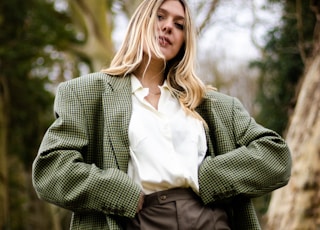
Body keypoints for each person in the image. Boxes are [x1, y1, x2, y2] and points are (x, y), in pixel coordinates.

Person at [32, 0, 292, 229]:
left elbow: (276, 156)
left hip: (209, 219)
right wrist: (120, 193)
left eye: (180, 25)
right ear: (140, 22)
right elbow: (52, 169)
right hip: (138, 220)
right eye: (160, 16)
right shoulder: (86, 94)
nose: (168, 27)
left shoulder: (213, 105)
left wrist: (211, 177)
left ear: (185, 41)